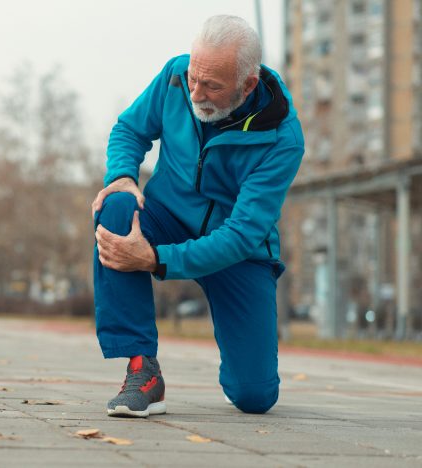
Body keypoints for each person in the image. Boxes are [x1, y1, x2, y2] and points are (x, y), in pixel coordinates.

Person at [91, 15, 304, 417]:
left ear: (248, 85)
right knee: (116, 206)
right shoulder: (175, 75)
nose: (195, 92)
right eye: (194, 78)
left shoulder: (283, 139)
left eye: (212, 86)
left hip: (237, 251)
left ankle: (241, 376)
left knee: (255, 397)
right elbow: (129, 130)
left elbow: (242, 234)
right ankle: (143, 371)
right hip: (165, 219)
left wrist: (156, 260)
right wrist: (121, 175)